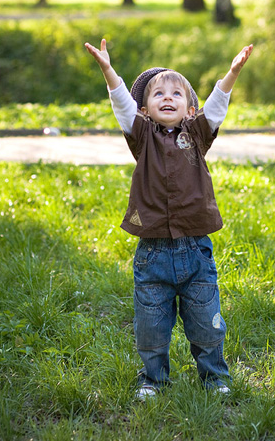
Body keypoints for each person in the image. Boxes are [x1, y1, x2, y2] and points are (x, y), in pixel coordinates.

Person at [85, 38, 253, 399]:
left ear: (189, 109)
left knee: (207, 325)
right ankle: (153, 379)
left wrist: (232, 73)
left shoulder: (197, 134)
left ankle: (214, 378)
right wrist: (108, 70)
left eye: (176, 93)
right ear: (145, 110)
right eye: (157, 93)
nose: (167, 97)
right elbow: (121, 105)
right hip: (153, 254)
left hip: (196, 251)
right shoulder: (141, 136)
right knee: (151, 327)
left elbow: (217, 106)